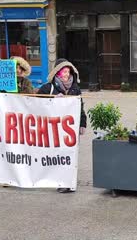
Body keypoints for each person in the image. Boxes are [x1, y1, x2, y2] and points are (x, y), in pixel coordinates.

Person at [37, 58, 87, 193]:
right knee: (57, 155)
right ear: (57, 73)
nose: (66, 74)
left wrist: (82, 122)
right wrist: (52, 100)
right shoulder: (48, 88)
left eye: (68, 71)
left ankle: (67, 182)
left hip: (70, 128)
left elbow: (80, 107)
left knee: (69, 155)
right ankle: (58, 179)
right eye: (63, 72)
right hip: (53, 128)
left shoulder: (75, 88)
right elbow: (35, 104)